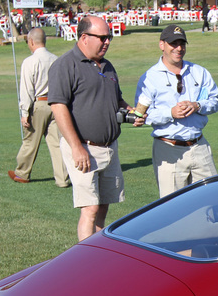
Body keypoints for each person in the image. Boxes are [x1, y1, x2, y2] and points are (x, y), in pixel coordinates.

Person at [48, 14, 132, 241]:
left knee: (104, 206)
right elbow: (58, 107)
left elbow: (117, 100)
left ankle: (98, 254)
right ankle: (84, 261)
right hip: (83, 148)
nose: (107, 42)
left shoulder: (107, 65)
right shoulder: (64, 65)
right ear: (84, 37)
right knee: (90, 208)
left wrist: (130, 112)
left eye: (109, 37)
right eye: (102, 37)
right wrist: (76, 147)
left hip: (109, 148)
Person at [134, 24, 218, 198]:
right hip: (169, 148)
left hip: (199, 146)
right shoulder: (150, 77)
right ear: (162, 45)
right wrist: (170, 113)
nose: (179, 48)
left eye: (182, 43)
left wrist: (198, 106)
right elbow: (142, 115)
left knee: (212, 200)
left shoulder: (199, 72)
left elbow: (215, 101)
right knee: (172, 208)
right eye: (173, 43)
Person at [10, 28, 68, 187]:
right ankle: (63, 178)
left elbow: (27, 89)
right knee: (57, 143)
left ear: (31, 42)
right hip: (57, 104)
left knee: (30, 141)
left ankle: (22, 173)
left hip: (39, 104)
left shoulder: (30, 62)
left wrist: (24, 112)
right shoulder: (57, 60)